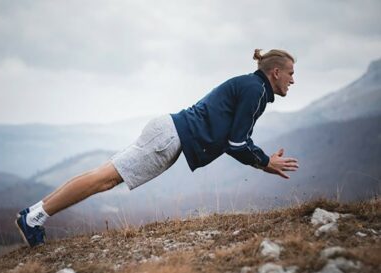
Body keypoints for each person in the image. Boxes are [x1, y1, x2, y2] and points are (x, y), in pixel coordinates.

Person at [16, 48, 299, 247]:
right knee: (105, 180)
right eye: (290, 73)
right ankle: (33, 218)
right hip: (169, 137)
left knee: (103, 175)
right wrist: (265, 163)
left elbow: (238, 140)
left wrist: (262, 160)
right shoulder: (256, 91)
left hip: (168, 132)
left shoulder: (253, 88)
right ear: (275, 72)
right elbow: (237, 143)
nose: (292, 80)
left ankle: (33, 214)